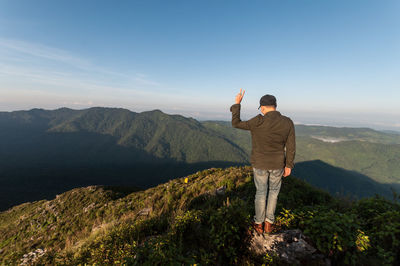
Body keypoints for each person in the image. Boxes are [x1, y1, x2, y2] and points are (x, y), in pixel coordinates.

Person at [230, 88, 296, 234]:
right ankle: (269, 224)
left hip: (260, 163)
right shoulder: (287, 122)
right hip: (278, 164)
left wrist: (237, 104)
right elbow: (291, 146)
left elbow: (236, 123)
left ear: (263, 107)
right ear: (275, 106)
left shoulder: (258, 121)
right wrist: (289, 165)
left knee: (261, 192)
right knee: (273, 192)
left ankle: (258, 223)